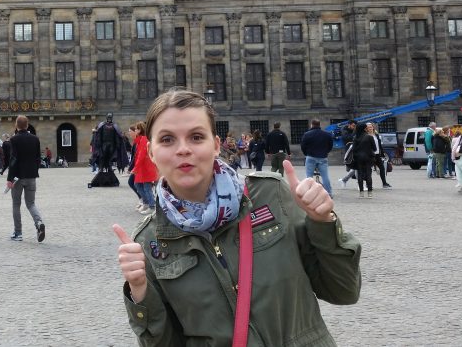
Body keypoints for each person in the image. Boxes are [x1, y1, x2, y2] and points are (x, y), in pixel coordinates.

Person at [112, 90, 361, 345]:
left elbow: (343, 290)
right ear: (151, 151)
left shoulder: (271, 194)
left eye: (196, 137)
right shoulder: (150, 241)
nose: (183, 149)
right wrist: (140, 292)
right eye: (167, 139)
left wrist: (322, 222)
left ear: (216, 145)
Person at [5, 115, 46, 242]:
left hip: (18, 177)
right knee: (31, 203)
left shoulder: (14, 139)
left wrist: (9, 178)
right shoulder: (35, 139)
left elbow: (13, 159)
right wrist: (34, 171)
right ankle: (39, 222)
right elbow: (38, 158)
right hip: (31, 176)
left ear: (16, 125)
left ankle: (18, 233)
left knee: (16, 204)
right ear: (27, 125)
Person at [90, 112, 127, 187]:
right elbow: (99, 134)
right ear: (106, 117)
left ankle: (109, 167)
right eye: (108, 117)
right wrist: (98, 142)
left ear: (112, 117)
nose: (109, 118)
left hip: (111, 144)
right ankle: (101, 168)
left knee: (110, 157)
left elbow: (117, 135)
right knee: (102, 156)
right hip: (104, 144)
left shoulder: (114, 126)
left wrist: (118, 142)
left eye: (110, 117)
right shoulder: (102, 125)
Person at [300, 119, 334, 196]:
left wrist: (306, 154)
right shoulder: (327, 134)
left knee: (309, 177)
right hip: (323, 157)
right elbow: (330, 145)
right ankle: (328, 193)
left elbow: (303, 146)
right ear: (319, 124)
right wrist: (326, 152)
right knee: (325, 176)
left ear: (312, 125)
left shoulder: (307, 134)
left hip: (311, 156)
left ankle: (309, 193)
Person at [129, 122, 156, 215]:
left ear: (140, 130)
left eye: (136, 129)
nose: (135, 130)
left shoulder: (144, 139)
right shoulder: (140, 139)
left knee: (146, 187)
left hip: (145, 167)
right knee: (138, 185)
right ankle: (147, 203)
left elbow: (141, 155)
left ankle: (151, 206)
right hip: (143, 167)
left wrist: (135, 168)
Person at [351, 123, 376, 198]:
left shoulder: (355, 137)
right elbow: (374, 148)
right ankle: (370, 193)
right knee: (368, 174)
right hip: (368, 158)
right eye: (366, 127)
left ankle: (361, 193)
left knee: (360, 174)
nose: (367, 129)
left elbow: (353, 149)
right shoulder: (369, 137)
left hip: (359, 158)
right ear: (364, 129)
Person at [367, 123, 392, 189]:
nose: (370, 128)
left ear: (373, 127)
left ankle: (384, 183)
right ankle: (368, 184)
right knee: (369, 170)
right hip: (370, 155)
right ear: (366, 129)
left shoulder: (376, 135)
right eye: (368, 127)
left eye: (371, 127)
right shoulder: (366, 136)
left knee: (382, 168)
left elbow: (379, 145)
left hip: (377, 154)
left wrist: (382, 153)